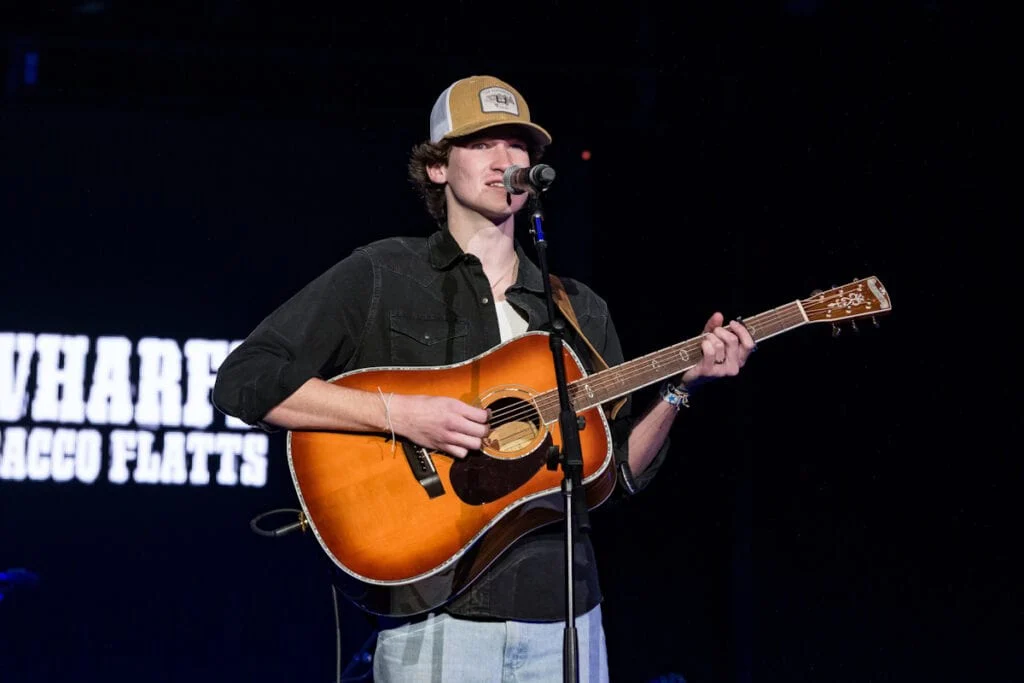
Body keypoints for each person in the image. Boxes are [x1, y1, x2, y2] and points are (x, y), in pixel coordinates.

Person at [212, 74, 756, 681]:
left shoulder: (577, 307)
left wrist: (681, 388)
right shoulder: (383, 274)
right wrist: (400, 414)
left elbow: (617, 471)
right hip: (436, 616)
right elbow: (245, 379)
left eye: (517, 145)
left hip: (568, 617)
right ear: (438, 167)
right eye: (481, 144)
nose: (505, 160)